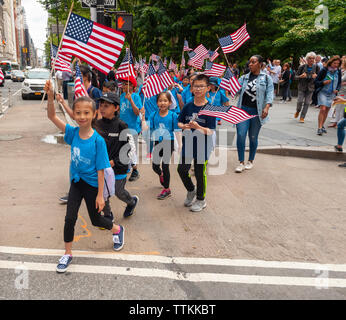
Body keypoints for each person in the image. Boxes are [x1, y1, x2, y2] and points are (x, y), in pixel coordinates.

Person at [44, 80, 125, 273]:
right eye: (78, 112)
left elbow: (101, 170)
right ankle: (68, 253)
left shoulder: (98, 141)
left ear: (94, 114)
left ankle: (117, 229)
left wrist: (99, 195)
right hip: (76, 183)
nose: (81, 116)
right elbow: (52, 115)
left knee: (96, 221)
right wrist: (50, 96)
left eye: (86, 113)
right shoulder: (72, 133)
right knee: (69, 218)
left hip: (92, 186)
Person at [177, 74, 216, 212]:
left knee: (200, 173)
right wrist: (184, 126)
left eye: (201, 86)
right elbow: (180, 121)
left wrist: (198, 127)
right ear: (191, 88)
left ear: (208, 88)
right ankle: (191, 190)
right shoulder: (188, 106)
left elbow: (211, 131)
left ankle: (201, 199)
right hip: (188, 143)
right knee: (181, 170)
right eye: (196, 86)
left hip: (202, 145)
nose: (198, 89)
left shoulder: (210, 108)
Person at [97, 92, 139, 218]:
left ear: (116, 108)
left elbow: (129, 148)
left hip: (119, 166)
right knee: (103, 192)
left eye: (106, 106)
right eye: (101, 105)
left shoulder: (121, 125)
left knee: (119, 192)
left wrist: (115, 161)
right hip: (102, 167)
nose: (102, 108)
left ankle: (131, 202)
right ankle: (108, 214)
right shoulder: (97, 125)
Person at [234, 55, 274, 173]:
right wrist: (232, 84)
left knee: (253, 137)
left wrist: (267, 107)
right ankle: (241, 162)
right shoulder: (244, 78)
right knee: (241, 135)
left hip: (257, 113)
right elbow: (235, 90)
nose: (250, 64)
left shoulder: (266, 78)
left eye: (253, 62)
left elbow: (270, 94)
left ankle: (250, 160)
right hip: (242, 111)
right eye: (249, 62)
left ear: (260, 64)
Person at [146, 92, 179, 199]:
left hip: (168, 143)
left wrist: (181, 145)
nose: (162, 103)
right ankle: (161, 174)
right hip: (157, 143)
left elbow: (177, 131)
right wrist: (142, 118)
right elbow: (147, 128)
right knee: (155, 166)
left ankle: (167, 189)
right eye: (160, 101)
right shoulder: (153, 115)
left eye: (165, 101)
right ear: (157, 103)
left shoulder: (173, 115)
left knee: (165, 166)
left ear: (169, 103)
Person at [118, 76, 142, 181]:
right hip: (122, 127)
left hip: (132, 128)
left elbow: (137, 112)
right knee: (124, 149)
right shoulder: (121, 96)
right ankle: (126, 167)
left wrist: (131, 99)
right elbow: (119, 112)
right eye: (122, 84)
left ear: (131, 85)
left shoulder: (136, 97)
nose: (122, 86)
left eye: (125, 83)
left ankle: (135, 170)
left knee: (131, 149)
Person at [315, 55, 342, 135]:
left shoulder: (338, 71)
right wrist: (323, 82)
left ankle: (322, 125)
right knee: (322, 108)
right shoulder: (324, 70)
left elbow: (339, 82)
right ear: (330, 62)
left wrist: (337, 89)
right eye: (334, 63)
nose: (336, 65)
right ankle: (319, 128)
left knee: (326, 110)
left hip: (332, 94)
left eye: (337, 63)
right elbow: (316, 82)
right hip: (323, 92)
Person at [294, 52, 319, 123]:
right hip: (302, 87)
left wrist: (316, 77)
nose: (311, 60)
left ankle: (302, 117)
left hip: (311, 88)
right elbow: (295, 77)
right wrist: (300, 76)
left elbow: (319, 78)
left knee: (307, 103)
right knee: (300, 101)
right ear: (307, 59)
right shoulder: (302, 67)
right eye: (310, 58)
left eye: (313, 58)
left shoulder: (316, 67)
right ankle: (298, 111)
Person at [329, 56, 346, 128]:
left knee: (341, 107)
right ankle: (336, 122)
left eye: (342, 62)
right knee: (338, 106)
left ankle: (339, 123)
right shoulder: (341, 70)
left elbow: (341, 79)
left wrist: (338, 81)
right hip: (340, 90)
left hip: (343, 91)